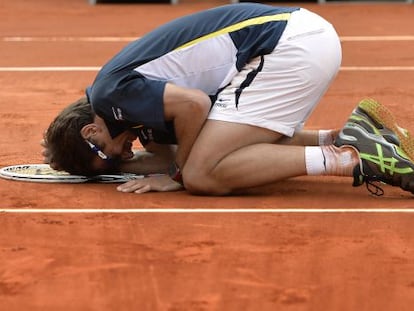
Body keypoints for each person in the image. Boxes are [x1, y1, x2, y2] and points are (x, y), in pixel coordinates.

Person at [42, 3, 414, 196]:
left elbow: (194, 107)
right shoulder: (130, 107)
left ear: (92, 129)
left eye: (109, 153)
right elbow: (169, 151)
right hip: (302, 37)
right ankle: (341, 138)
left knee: (202, 174)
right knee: (214, 151)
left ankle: (352, 159)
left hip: (287, 47)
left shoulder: (112, 95)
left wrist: (178, 176)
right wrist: (109, 166)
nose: (124, 154)